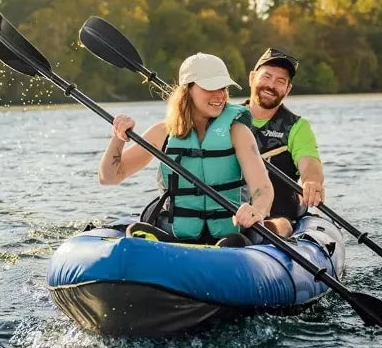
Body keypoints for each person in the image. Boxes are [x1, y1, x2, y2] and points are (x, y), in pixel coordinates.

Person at [98, 52, 273, 246]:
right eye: (210, 87)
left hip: (229, 237)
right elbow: (109, 177)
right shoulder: (163, 132)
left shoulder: (237, 132)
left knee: (232, 242)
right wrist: (118, 137)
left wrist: (257, 210)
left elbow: (263, 188)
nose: (220, 95)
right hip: (176, 236)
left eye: (222, 88)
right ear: (187, 90)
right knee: (136, 232)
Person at [243, 47, 325, 239]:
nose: (271, 85)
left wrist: (312, 181)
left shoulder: (297, 127)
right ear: (252, 78)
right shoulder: (227, 119)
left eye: (280, 81)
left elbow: (310, 164)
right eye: (266, 77)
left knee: (281, 224)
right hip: (230, 209)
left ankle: (263, 234)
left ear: (287, 90)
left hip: (279, 215)